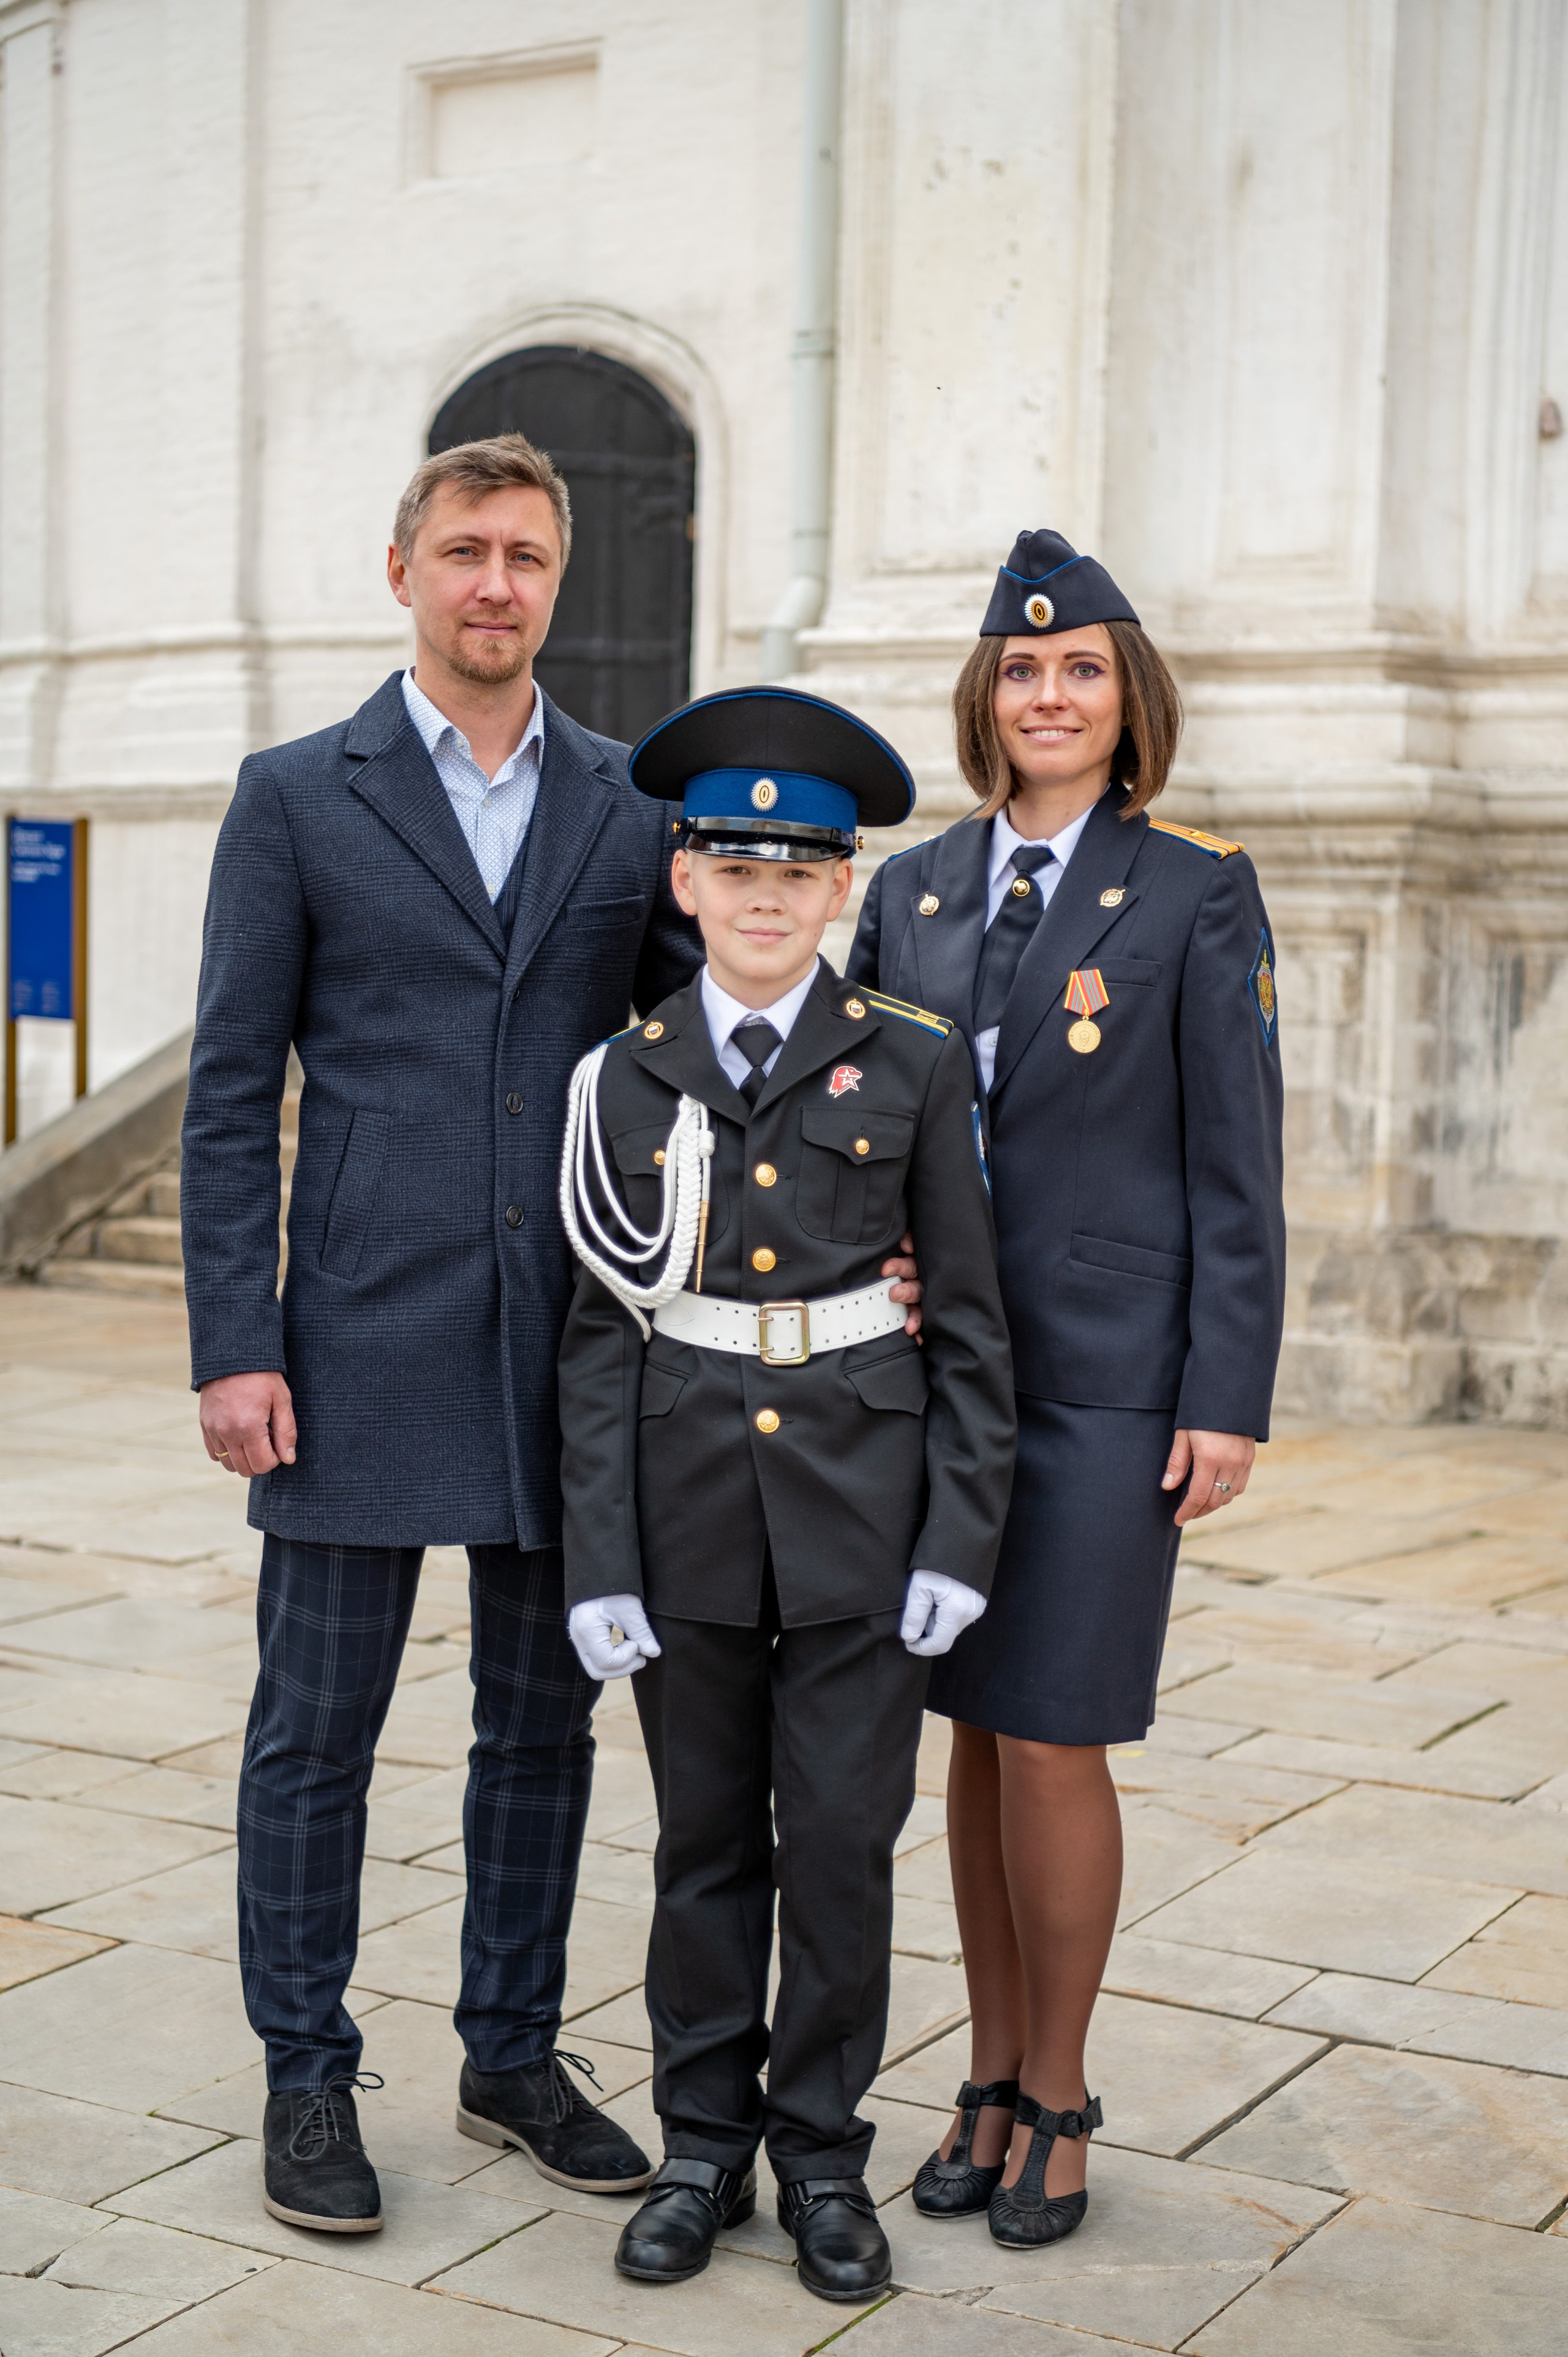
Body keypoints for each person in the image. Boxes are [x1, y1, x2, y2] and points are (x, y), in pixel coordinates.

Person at [179, 432, 710, 2230]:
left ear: (558, 583)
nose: (499, 584)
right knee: (312, 1735)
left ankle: (509, 2051)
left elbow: (678, 1068)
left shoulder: (635, 803)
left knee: (542, 1728)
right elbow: (234, 1084)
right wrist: (231, 1340)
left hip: (563, 1346)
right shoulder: (294, 795)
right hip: (345, 1343)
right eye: (468, 549)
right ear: (399, 565)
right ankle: (307, 2079)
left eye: (530, 557)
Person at [848, 529, 1286, 2249]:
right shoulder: (916, 889)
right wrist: (861, 1250)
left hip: (1111, 1386)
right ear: (988, 693)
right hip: (941, 1379)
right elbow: (871, 1126)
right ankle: (982, 2071)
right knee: (968, 1732)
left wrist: (1226, 1394)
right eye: (1024, 669)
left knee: (1055, 1733)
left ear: (1127, 700)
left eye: (1081, 668)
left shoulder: (1193, 889)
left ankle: (1064, 2090)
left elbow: (1238, 1166)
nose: (1050, 693)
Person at [554, 686, 1017, 2302]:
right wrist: (599, 1556)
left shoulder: (909, 1063)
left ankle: (821, 2156)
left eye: (799, 869)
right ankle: (700, 2147)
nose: (764, 894)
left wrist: (962, 1534)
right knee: (700, 1849)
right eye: (731, 864)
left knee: (835, 1849)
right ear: (683, 880)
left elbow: (968, 1319)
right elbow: (599, 1339)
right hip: (684, 1524)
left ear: (841, 890)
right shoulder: (624, 1075)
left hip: (862, 1531)